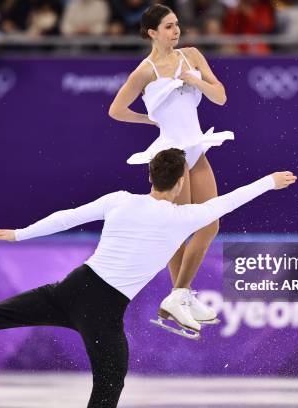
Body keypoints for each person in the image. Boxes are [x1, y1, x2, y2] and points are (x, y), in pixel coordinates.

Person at [0, 148, 297, 408]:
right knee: (109, 386)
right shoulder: (188, 216)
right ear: (183, 181)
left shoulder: (121, 200)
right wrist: (270, 181)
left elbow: (68, 216)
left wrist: (20, 234)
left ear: (150, 175)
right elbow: (233, 201)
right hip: (103, 310)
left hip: (70, 288)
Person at [108, 4, 233, 334]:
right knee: (179, 228)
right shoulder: (145, 71)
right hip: (171, 154)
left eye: (177, 25)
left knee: (209, 224)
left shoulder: (191, 55)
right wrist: (150, 119)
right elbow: (117, 110)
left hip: (197, 147)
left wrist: (196, 80)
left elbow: (220, 96)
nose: (176, 31)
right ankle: (179, 297)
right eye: (168, 27)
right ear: (152, 32)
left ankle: (179, 295)